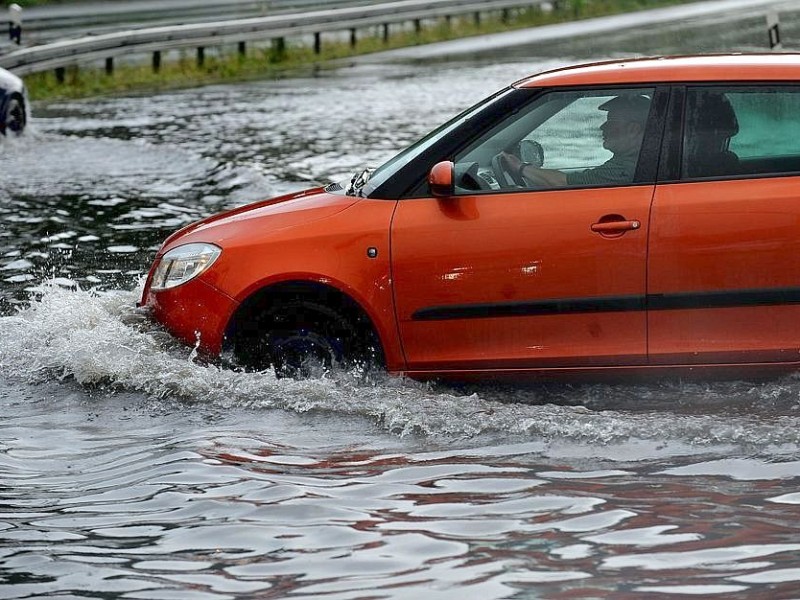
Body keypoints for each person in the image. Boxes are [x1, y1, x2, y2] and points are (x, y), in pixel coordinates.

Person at [503, 94, 651, 188]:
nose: (602, 127)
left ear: (634, 129)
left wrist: (520, 167)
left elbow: (562, 183)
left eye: (611, 122)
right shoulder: (637, 160)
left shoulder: (627, 168)